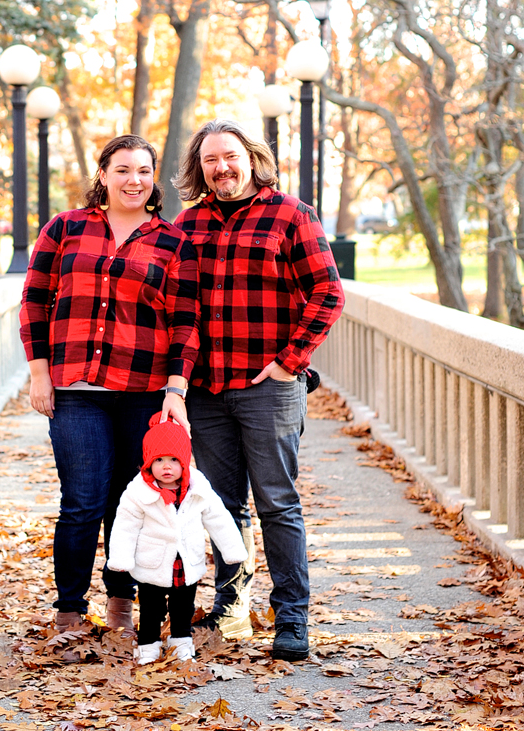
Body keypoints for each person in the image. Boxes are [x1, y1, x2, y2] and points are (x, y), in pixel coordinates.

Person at [173, 118, 345, 661]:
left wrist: (289, 363)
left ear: (251, 158)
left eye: (230, 157)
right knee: (223, 506)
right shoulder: (189, 224)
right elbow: (182, 309)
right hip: (206, 389)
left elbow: (327, 291)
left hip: (267, 385)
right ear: (198, 169)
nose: (221, 168)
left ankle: (292, 619)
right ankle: (232, 607)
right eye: (209, 161)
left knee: (277, 503)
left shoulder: (291, 215)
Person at [20, 134, 201, 634]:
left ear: (153, 179)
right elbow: (34, 301)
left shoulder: (172, 242)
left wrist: (175, 387)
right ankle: (70, 610)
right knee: (82, 500)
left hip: (142, 391)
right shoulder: (66, 229)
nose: (133, 180)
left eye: (143, 171)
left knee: (133, 501)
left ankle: (122, 602)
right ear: (103, 175)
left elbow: (185, 322)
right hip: (76, 389)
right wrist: (40, 374)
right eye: (122, 170)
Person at [107, 412, 248, 664]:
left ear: (185, 461)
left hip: (186, 562)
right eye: (159, 459)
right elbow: (125, 525)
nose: (167, 466)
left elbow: (218, 517)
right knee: (151, 608)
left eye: (174, 459)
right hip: (152, 563)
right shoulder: (138, 492)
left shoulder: (198, 488)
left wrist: (232, 550)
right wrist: (120, 558)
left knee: (183, 607)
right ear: (148, 462)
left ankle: (181, 640)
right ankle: (148, 643)